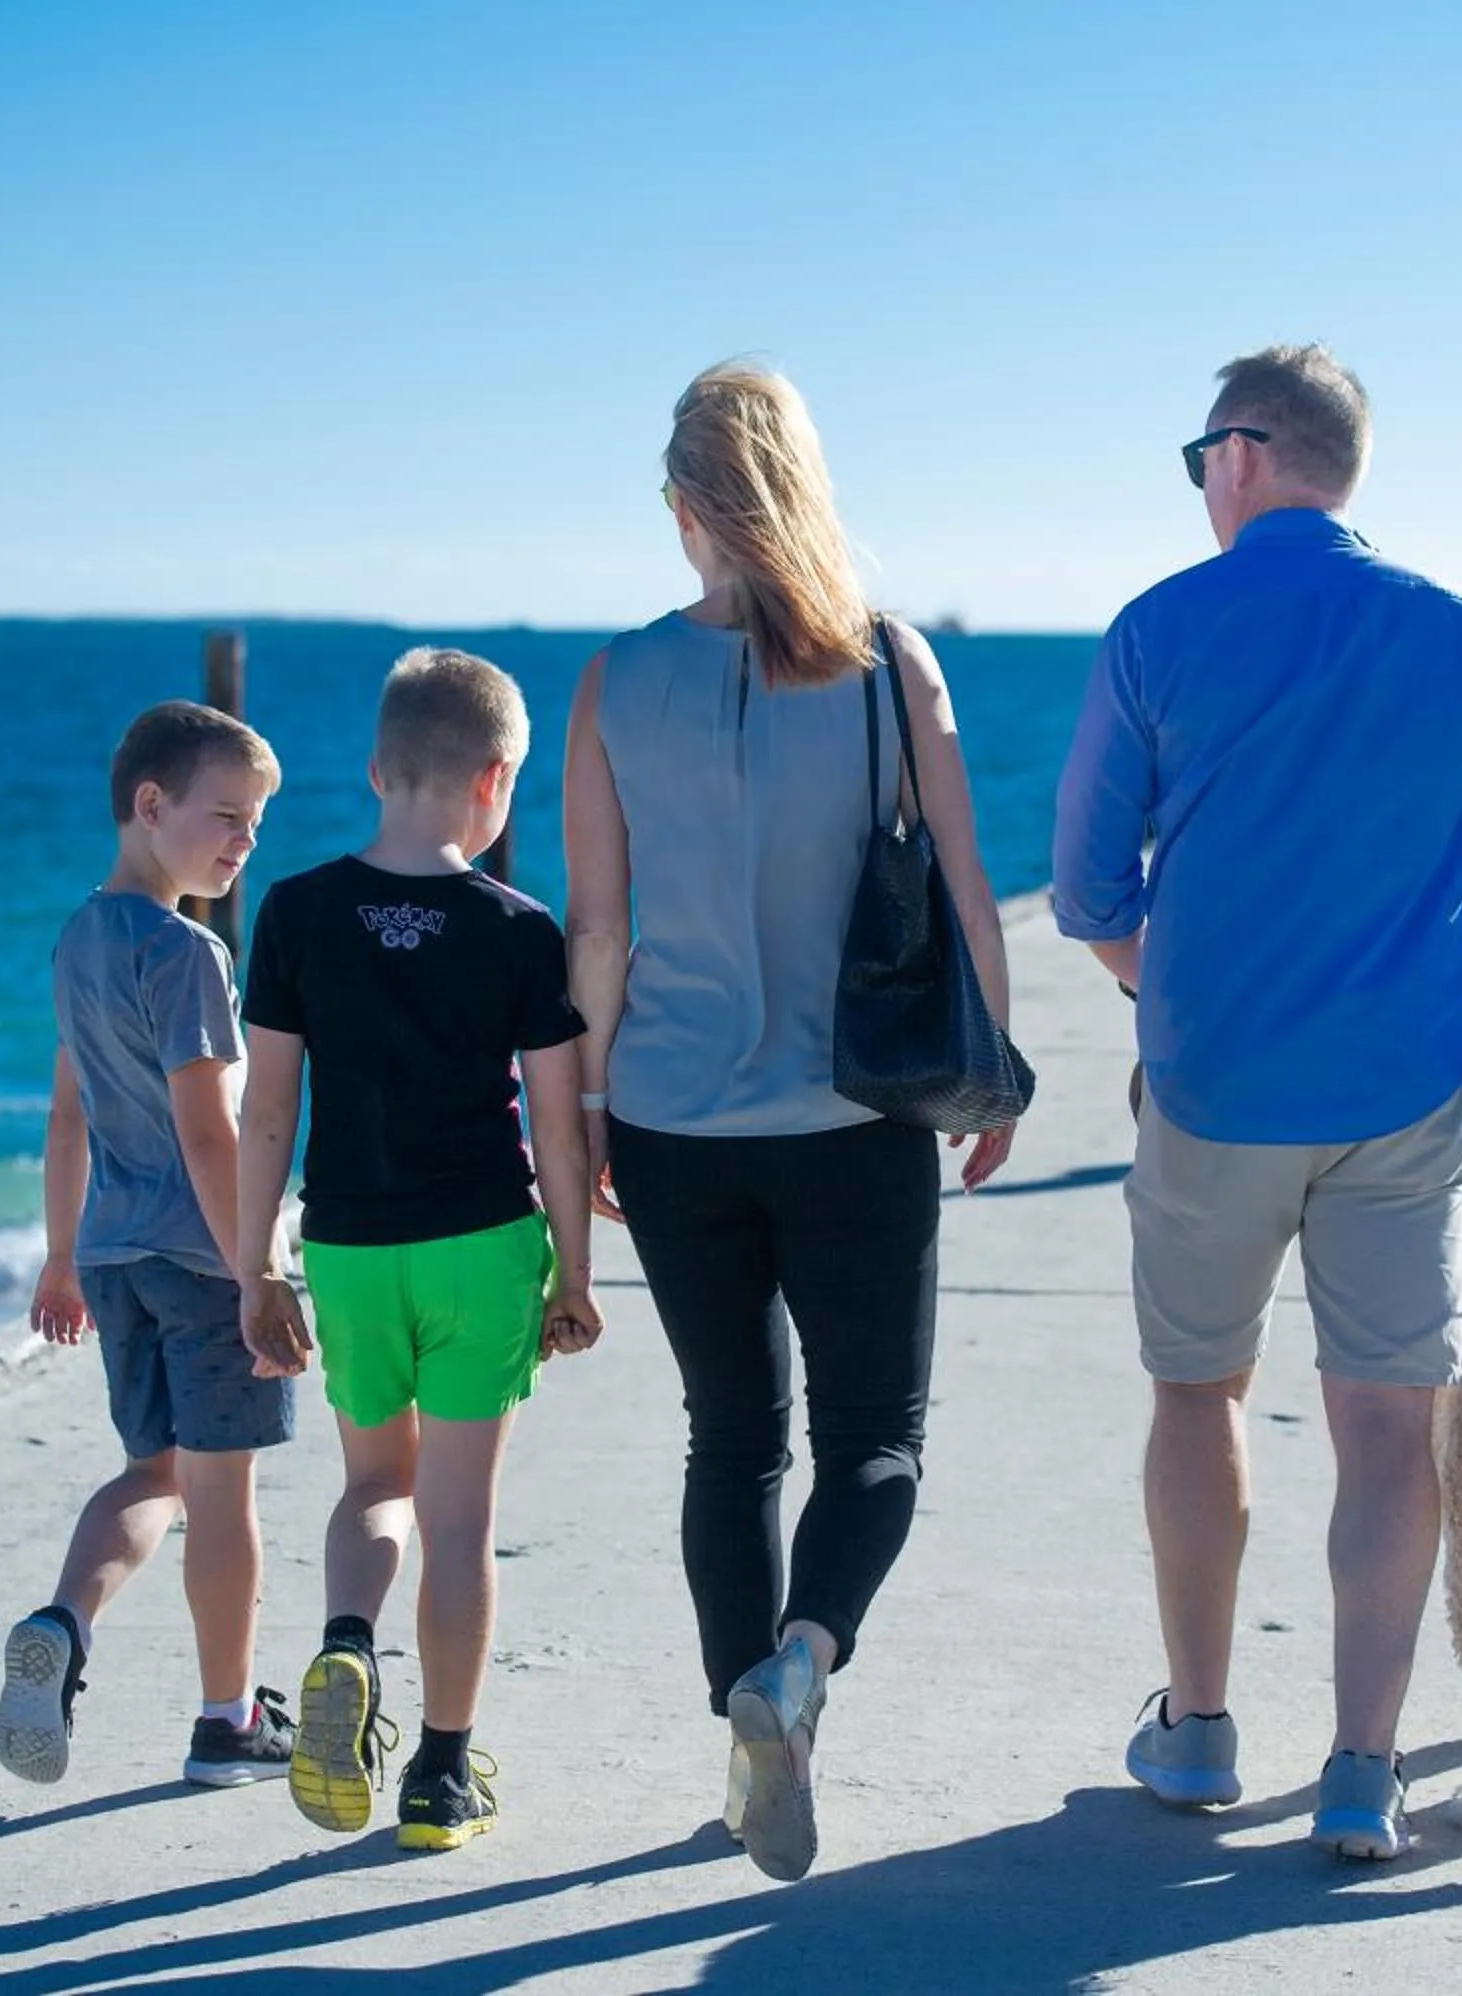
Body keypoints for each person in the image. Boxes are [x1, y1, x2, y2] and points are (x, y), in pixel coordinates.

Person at [1053, 345, 1462, 1862]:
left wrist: (1159, 987)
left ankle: (1196, 1736)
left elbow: (1081, 888)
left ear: (1245, 454)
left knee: (1201, 1393)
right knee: (1389, 1433)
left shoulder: (1156, 632)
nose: (1200, 483)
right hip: (1399, 1097)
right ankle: (1364, 1772)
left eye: (1201, 458)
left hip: (1213, 1087)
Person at [560, 361, 1017, 1882]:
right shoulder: (894, 666)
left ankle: (748, 1731)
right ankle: (800, 1669)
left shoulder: (615, 682)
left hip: (677, 1123)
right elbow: (962, 887)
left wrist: (596, 1112)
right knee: (875, 1438)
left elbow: (599, 936)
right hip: (858, 1115)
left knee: (731, 1442)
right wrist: (994, 1069)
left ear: (684, 509)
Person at [231, 648, 604, 1853]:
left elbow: (268, 1111)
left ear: (378, 768)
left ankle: (346, 1644)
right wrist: (576, 1269)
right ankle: (442, 1776)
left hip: (348, 1244)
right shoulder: (517, 927)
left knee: (373, 1488)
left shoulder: (294, 911)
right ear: (497, 782)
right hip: (481, 1244)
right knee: (458, 1517)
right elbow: (556, 1118)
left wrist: (257, 1265)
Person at [0, 700, 298, 1791]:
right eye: (225, 816)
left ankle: (63, 1623)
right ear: (149, 804)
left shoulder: (79, 937)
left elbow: (67, 1115)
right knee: (222, 1494)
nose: (243, 842)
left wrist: (62, 1254)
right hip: (199, 1257)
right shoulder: (189, 952)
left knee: (151, 1473)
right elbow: (211, 1129)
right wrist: (254, 1273)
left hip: (117, 1257)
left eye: (257, 824)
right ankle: (229, 1722)